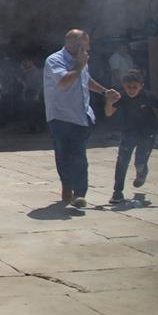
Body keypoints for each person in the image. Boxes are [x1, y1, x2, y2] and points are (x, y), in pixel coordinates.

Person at [43, 29, 119, 208]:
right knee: (63, 155)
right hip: (60, 116)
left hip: (82, 115)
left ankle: (79, 193)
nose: (89, 48)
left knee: (79, 155)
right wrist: (78, 65)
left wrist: (104, 91)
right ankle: (67, 186)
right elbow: (63, 82)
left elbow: (86, 79)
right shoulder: (55, 60)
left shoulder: (82, 60)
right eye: (86, 44)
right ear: (74, 44)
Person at [105, 69, 158, 203]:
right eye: (128, 87)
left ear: (141, 85)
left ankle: (142, 172)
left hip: (147, 133)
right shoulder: (121, 97)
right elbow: (109, 113)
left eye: (134, 87)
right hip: (129, 132)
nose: (131, 90)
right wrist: (109, 102)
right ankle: (117, 192)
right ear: (123, 85)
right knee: (122, 161)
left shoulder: (148, 96)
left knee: (140, 161)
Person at [18, 55, 44, 133]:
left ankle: (35, 128)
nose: (25, 64)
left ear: (31, 62)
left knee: (33, 111)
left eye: (26, 62)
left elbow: (39, 84)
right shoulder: (27, 72)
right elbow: (26, 85)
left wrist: (37, 94)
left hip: (33, 92)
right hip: (29, 92)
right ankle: (33, 128)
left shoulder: (35, 72)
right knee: (30, 111)